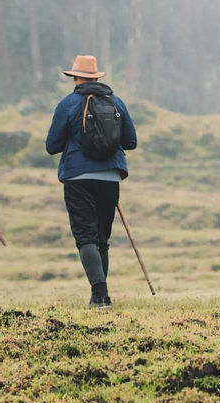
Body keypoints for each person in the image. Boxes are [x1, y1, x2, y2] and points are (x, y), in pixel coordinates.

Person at [46, 55, 137, 308]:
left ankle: (99, 295)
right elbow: (131, 142)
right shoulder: (116, 103)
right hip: (110, 176)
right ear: (97, 77)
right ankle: (101, 296)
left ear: (75, 78)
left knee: (86, 237)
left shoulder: (67, 104)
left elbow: (51, 145)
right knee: (101, 239)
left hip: (78, 176)